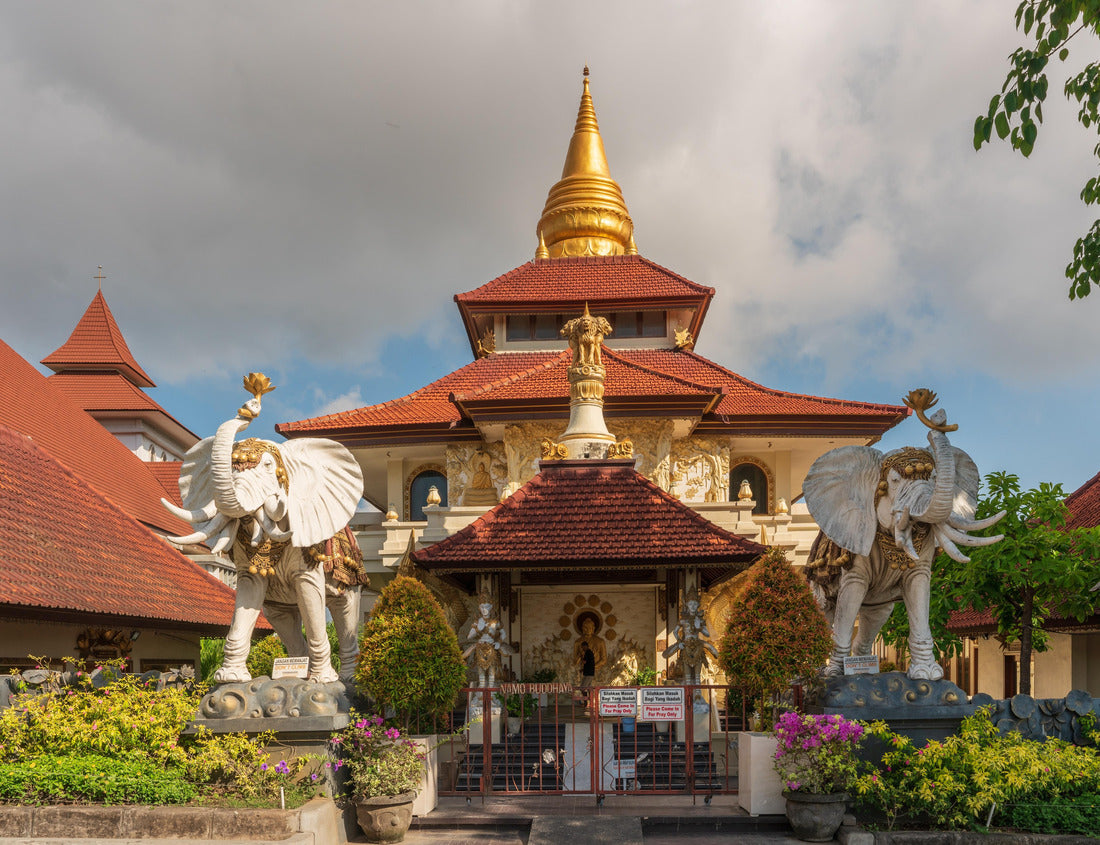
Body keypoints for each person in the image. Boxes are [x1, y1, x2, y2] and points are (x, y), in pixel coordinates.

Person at [572, 614, 607, 697]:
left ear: (594, 628)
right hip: (586, 671)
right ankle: (586, 700)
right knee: (585, 686)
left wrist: (593, 667)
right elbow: (575, 661)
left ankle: (588, 700)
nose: (587, 630)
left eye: (590, 627)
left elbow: (604, 659)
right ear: (582, 629)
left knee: (587, 686)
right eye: (585, 628)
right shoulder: (578, 642)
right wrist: (580, 656)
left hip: (595, 670)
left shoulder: (600, 641)